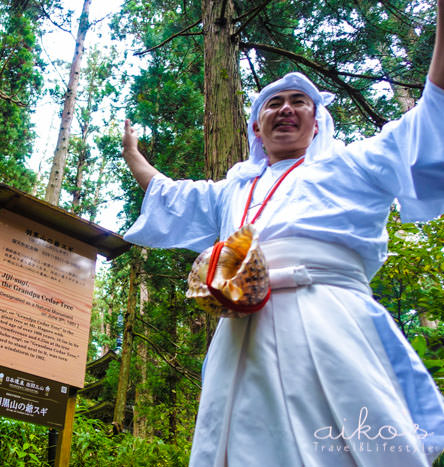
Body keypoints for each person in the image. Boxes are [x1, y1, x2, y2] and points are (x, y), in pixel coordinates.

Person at [121, 2, 444, 466]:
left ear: (317, 121)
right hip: (241, 338)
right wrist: (134, 156)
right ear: (257, 126)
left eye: (299, 102)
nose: (286, 110)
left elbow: (429, 123)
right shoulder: (233, 189)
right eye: (274, 103)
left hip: (332, 321)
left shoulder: (354, 163)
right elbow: (171, 196)